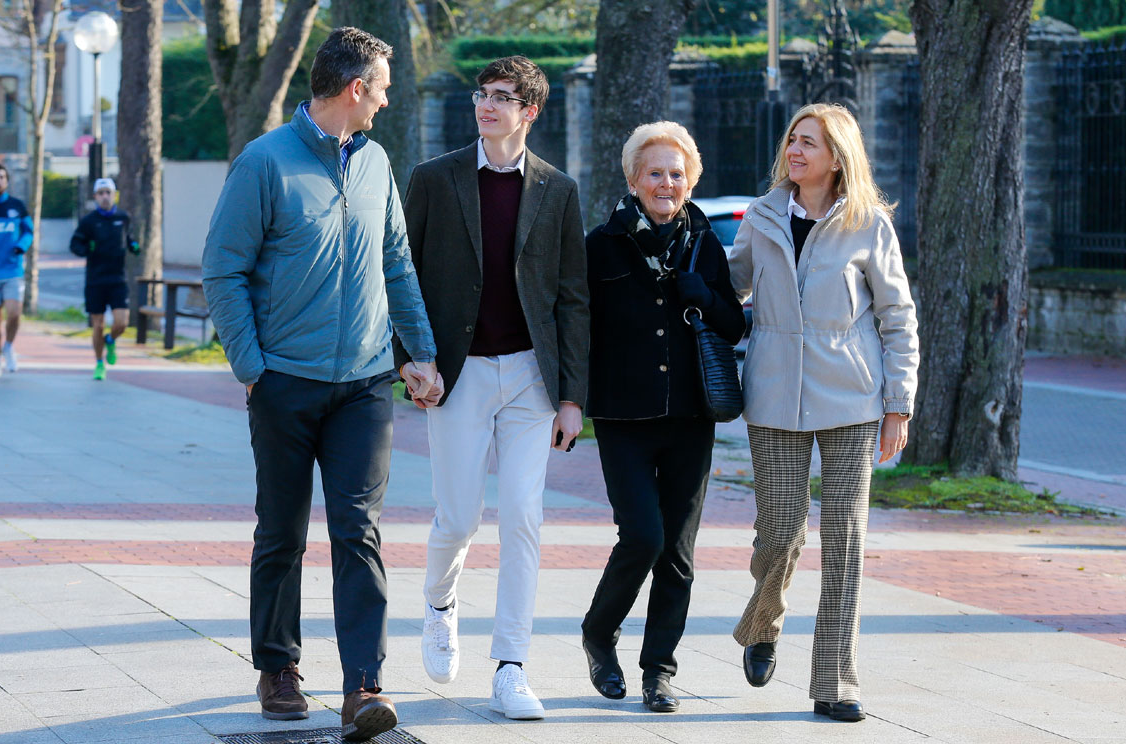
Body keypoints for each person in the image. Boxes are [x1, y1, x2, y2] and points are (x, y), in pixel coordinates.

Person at [202, 27, 440, 742]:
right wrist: (253, 367)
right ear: (353, 89)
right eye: (384, 87)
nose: (389, 100)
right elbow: (224, 268)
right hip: (285, 382)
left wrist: (419, 351)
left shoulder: (376, 164)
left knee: (357, 531)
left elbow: (396, 263)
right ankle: (279, 668)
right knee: (280, 531)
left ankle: (363, 686)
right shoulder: (264, 163)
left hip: (365, 384)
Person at [401, 55, 589, 721]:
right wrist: (408, 358)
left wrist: (572, 395)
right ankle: (439, 604)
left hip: (533, 379)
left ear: (530, 110)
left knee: (523, 517)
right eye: (483, 94)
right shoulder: (433, 179)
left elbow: (572, 298)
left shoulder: (558, 190)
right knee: (458, 516)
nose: (488, 105)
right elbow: (405, 276)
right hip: (459, 374)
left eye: (504, 97)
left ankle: (511, 665)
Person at [728, 103, 919, 723]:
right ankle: (763, 623)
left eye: (810, 143)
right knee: (781, 531)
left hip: (853, 401)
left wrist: (898, 405)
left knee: (845, 541)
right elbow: (731, 287)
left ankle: (835, 681)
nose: (796, 151)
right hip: (774, 397)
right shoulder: (761, 216)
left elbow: (897, 318)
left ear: (839, 156)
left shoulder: (870, 225)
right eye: (792, 139)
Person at [580, 121, 744, 713]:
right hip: (622, 416)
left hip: (689, 418)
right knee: (643, 536)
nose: (667, 183)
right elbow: (576, 327)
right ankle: (599, 632)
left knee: (677, 550)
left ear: (691, 181)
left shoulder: (705, 243)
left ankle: (659, 671)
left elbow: (734, 324)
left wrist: (704, 294)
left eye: (677, 174)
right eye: (655, 172)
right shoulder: (600, 244)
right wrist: (571, 401)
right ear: (633, 178)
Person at [69, 178, 139, 380]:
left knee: (122, 323)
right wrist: (86, 250)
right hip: (95, 280)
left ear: (114, 194)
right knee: (97, 324)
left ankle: (111, 339)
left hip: (118, 279)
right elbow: (75, 244)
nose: (105, 196)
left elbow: (129, 238)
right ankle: (99, 363)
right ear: (95, 197)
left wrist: (134, 245)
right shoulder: (88, 221)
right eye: (101, 193)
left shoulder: (123, 217)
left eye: (108, 192)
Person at [0, 163, 33, 378]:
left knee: (14, 314)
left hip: (13, 271)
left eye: (0, 177)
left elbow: (28, 231)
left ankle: (9, 346)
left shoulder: (18, 206)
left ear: (6, 181)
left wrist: (21, 246)